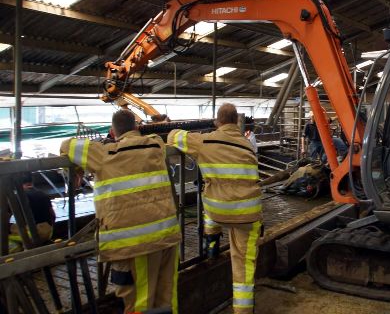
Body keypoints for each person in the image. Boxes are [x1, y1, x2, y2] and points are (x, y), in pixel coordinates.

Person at [60, 110, 181, 314]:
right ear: (136, 128)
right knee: (167, 299)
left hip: (136, 245)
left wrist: (106, 143)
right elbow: (152, 136)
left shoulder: (103, 154)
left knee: (140, 303)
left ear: (112, 132)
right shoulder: (155, 145)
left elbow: (67, 145)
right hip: (167, 236)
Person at [168, 103, 262, 314]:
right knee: (244, 265)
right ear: (237, 122)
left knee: (210, 191)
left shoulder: (205, 141)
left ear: (217, 122)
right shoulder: (246, 143)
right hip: (248, 212)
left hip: (217, 210)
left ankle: (210, 244)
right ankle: (243, 310)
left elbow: (173, 136)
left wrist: (193, 130)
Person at [8, 177, 56, 253]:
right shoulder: (43, 194)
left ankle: (16, 250)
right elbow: (53, 215)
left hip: (32, 234)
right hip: (48, 231)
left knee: (5, 231)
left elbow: (4, 220)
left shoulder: (17, 197)